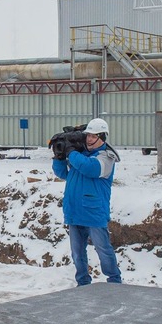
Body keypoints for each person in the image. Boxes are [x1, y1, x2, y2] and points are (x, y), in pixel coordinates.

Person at [51, 117, 122, 286]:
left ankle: (114, 281)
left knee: (103, 249)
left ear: (103, 137)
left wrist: (71, 152)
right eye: (88, 135)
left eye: (93, 136)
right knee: (77, 253)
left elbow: (90, 168)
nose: (89, 139)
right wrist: (59, 157)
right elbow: (63, 174)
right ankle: (83, 282)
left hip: (93, 212)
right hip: (75, 211)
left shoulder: (106, 157)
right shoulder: (80, 155)